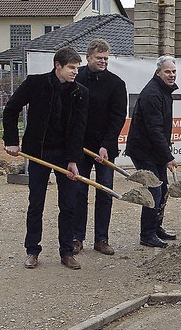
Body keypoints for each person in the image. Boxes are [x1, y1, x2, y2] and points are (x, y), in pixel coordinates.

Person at [2, 46, 89, 270]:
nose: (75, 72)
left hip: (65, 154)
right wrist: (11, 141)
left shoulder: (80, 92)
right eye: (71, 68)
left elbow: (79, 129)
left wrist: (73, 160)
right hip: (38, 152)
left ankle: (67, 252)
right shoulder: (35, 83)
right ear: (57, 66)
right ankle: (32, 250)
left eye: (77, 68)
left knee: (68, 204)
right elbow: (11, 109)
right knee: (36, 203)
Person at [72, 39, 127, 256]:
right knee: (78, 192)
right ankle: (77, 237)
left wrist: (106, 145)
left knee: (104, 192)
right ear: (88, 58)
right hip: (80, 148)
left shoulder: (116, 83)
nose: (103, 61)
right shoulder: (76, 80)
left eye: (106, 58)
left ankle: (101, 238)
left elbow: (117, 118)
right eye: (99, 58)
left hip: (105, 148)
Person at [125, 55, 180, 248]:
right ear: (158, 72)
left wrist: (165, 153)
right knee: (155, 190)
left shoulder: (164, 91)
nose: (171, 75)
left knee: (163, 189)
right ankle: (146, 234)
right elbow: (154, 129)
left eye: (173, 71)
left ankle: (156, 227)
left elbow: (161, 129)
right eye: (167, 71)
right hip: (143, 151)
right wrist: (168, 157)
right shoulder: (152, 94)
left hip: (155, 150)